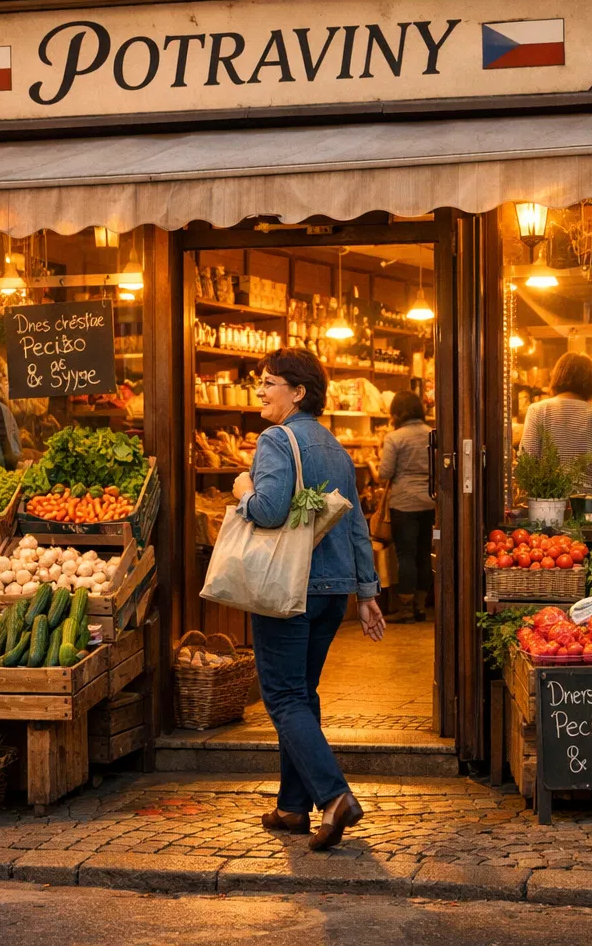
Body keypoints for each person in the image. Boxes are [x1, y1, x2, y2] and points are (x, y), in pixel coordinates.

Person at [231, 347, 385, 852]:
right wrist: (367, 592)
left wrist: (243, 489)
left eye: (269, 382)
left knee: (282, 696)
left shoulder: (277, 439)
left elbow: (269, 510)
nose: (260, 390)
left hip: (288, 587)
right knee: (302, 693)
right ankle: (292, 807)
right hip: (331, 591)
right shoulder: (335, 447)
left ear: (298, 392)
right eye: (260, 381)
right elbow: (356, 524)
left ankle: (334, 797)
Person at [519, 351, 592, 493]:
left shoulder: (537, 411)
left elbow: (527, 465)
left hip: (547, 501)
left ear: (557, 377)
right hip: (590, 503)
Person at [378, 389, 433, 623]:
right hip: (429, 502)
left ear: (397, 412)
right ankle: (421, 607)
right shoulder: (432, 434)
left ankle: (406, 608)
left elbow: (385, 473)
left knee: (406, 556)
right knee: (424, 554)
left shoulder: (395, 438)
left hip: (404, 504)